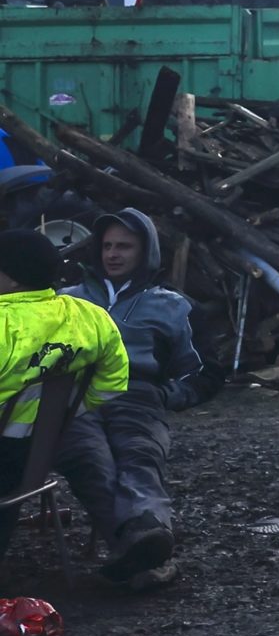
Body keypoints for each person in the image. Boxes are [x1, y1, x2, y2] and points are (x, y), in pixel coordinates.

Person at [53, 209, 210, 586]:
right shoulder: (67, 300)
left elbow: (204, 369)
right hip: (76, 395)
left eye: (124, 246)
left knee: (138, 454)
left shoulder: (172, 306)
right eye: (107, 245)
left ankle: (143, 548)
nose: (113, 254)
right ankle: (146, 546)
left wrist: (167, 394)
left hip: (136, 393)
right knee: (89, 459)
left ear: (146, 251)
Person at [0, 228, 127, 563]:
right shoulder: (90, 316)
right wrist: (64, 414)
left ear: (13, 280)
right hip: (33, 459)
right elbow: (113, 382)